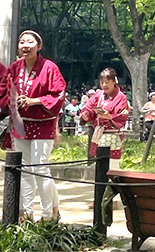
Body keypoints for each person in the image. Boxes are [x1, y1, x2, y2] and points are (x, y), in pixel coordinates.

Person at [5, 30, 66, 221]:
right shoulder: (14, 68)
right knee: (25, 171)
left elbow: (59, 94)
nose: (25, 45)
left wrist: (35, 100)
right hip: (20, 125)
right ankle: (28, 214)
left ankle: (47, 216)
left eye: (30, 42)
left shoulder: (49, 67)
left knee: (40, 169)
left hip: (43, 125)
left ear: (39, 46)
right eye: (22, 42)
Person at [80, 68, 129, 170]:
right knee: (101, 165)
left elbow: (122, 115)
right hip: (99, 133)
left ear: (114, 81)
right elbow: (89, 106)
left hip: (113, 134)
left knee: (112, 165)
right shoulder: (99, 95)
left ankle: (112, 183)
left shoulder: (121, 97)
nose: (104, 85)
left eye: (107, 82)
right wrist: (86, 114)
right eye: (102, 82)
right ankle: (101, 184)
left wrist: (109, 117)